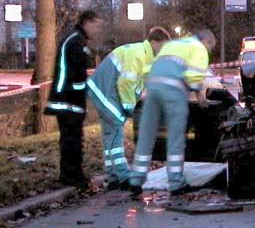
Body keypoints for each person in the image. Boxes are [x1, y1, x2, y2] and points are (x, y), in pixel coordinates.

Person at [128, 29, 216, 196]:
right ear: (206, 41)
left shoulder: (173, 44)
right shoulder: (198, 47)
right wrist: (201, 97)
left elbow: (149, 69)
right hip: (173, 91)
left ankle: (136, 180)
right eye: (211, 46)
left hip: (152, 89)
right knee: (175, 137)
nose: (210, 50)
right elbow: (194, 74)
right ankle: (176, 183)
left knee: (146, 136)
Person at [86, 27, 172, 190]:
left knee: (110, 134)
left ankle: (113, 176)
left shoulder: (144, 56)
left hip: (104, 89)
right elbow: (126, 83)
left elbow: (138, 84)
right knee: (115, 132)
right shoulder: (138, 54)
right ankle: (124, 176)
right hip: (105, 91)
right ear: (154, 43)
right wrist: (130, 108)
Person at [44, 10, 104, 189]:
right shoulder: (75, 41)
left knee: (72, 139)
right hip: (68, 101)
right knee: (72, 140)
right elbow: (75, 75)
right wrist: (86, 86)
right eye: (96, 25)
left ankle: (72, 174)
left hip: (68, 100)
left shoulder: (75, 39)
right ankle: (72, 176)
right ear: (86, 22)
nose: (98, 29)